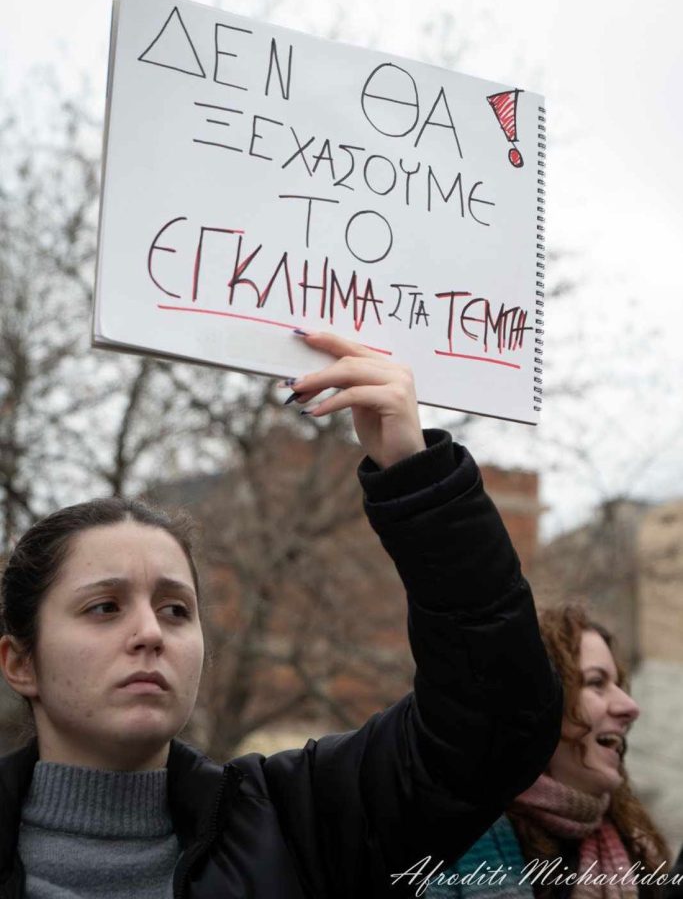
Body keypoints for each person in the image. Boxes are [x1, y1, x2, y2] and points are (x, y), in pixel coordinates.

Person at [0, 331, 562, 899]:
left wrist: (416, 476)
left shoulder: (297, 825)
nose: (150, 633)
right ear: (20, 662)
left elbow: (495, 724)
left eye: (175, 610)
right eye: (104, 607)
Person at [429, 604, 670, 899]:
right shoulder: (452, 841)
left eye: (619, 684)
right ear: (539, 703)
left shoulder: (639, 852)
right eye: (596, 682)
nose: (630, 707)